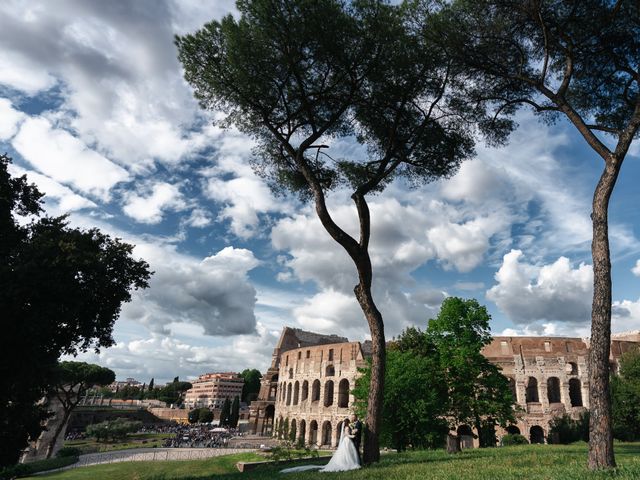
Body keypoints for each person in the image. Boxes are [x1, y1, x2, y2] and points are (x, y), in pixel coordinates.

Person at [280, 418, 361, 473]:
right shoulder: (347, 427)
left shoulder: (348, 426)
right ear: (347, 423)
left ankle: (347, 462)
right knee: (346, 453)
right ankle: (347, 463)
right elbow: (346, 434)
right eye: (349, 421)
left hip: (347, 441)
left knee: (346, 453)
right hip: (347, 440)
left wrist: (352, 432)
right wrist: (352, 435)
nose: (351, 421)